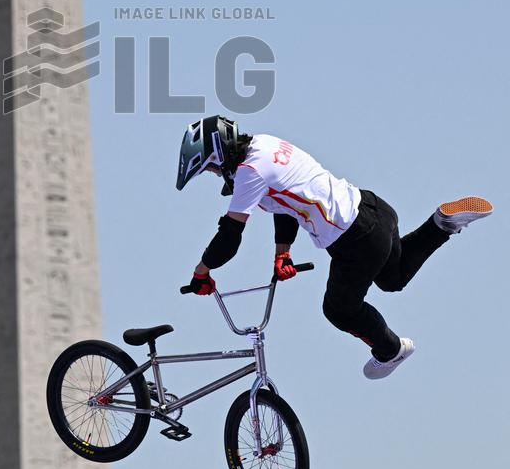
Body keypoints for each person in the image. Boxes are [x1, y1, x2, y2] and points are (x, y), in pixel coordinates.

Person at [177, 115, 493, 380]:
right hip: (373, 209)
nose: (215, 174)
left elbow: (230, 236)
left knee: (338, 309)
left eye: (210, 168)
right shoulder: (265, 143)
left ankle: (391, 350)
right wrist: (282, 252)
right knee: (392, 278)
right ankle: (441, 225)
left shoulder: (250, 174)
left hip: (355, 239)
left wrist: (201, 271)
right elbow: (285, 205)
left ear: (219, 155)